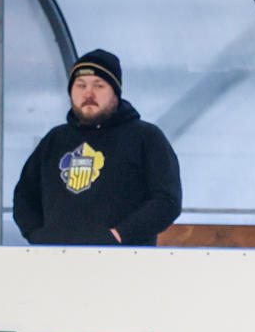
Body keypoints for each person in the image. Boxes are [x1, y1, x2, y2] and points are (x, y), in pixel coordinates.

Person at [13, 49, 181, 246]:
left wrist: (120, 235)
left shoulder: (146, 137)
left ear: (116, 92)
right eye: (80, 85)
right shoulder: (54, 140)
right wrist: (39, 236)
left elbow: (167, 200)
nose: (88, 93)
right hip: (56, 259)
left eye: (99, 85)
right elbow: (25, 196)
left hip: (125, 260)